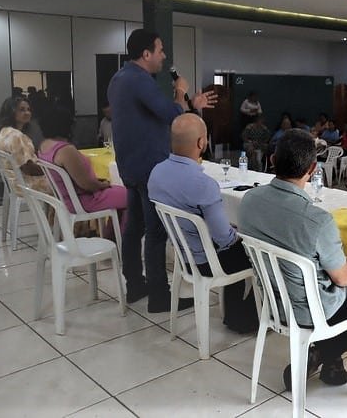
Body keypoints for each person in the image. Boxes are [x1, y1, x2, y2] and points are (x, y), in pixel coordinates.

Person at [239, 129, 347, 389]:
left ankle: (325, 358)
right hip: (309, 310)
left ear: (273, 160)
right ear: (312, 168)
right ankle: (324, 353)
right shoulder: (317, 220)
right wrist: (346, 263)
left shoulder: (249, 200)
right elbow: (343, 279)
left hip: (273, 301)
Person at [107, 28, 216, 312]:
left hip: (130, 165)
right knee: (155, 232)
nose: (163, 56)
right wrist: (181, 92)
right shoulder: (140, 81)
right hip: (149, 168)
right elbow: (172, 116)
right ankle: (158, 295)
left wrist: (190, 104)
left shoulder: (119, 79)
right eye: (160, 50)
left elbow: (158, 114)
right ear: (146, 54)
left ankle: (134, 284)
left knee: (134, 228)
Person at [148, 114, 258, 333]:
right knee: (257, 253)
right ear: (202, 142)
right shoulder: (203, 184)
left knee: (234, 241)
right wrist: (240, 236)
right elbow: (224, 240)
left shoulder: (156, 172)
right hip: (206, 261)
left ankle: (234, 310)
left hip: (183, 255)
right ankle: (242, 317)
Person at [37, 105, 126, 235]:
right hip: (83, 200)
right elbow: (87, 185)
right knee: (133, 197)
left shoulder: (44, 145)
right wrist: (104, 185)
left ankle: (113, 236)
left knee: (123, 196)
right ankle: (122, 241)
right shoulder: (66, 150)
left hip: (66, 197)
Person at [0, 97, 51, 194]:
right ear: (10, 113)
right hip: (28, 185)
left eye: (28, 110)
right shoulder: (17, 136)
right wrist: (52, 170)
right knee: (65, 183)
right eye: (21, 110)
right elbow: (29, 169)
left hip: (15, 184)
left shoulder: (3, 133)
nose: (27, 113)